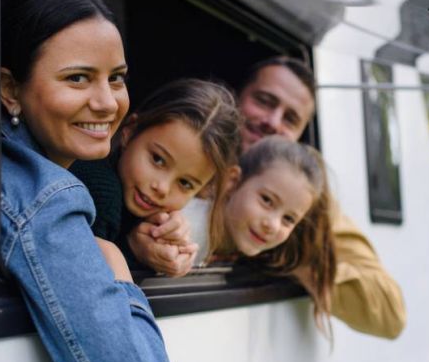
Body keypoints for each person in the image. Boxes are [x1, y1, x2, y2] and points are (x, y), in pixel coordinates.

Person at [132, 56, 407, 340]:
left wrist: (294, 253)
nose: (273, 122)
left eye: (290, 119)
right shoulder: (183, 149)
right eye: (264, 101)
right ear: (238, 98)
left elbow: (390, 314)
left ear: (300, 135)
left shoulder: (308, 211)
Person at [0, 0, 172, 362]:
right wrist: (117, 269)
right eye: (77, 78)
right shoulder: (46, 198)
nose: (108, 103)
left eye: (116, 78)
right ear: (10, 90)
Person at [70, 78, 242, 271]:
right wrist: (134, 251)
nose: (162, 187)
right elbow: (77, 274)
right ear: (130, 130)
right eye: (158, 160)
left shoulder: (155, 213)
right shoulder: (99, 190)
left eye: (185, 183)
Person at [196, 136, 336, 334]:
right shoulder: (186, 226)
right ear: (233, 181)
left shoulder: (251, 253)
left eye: (288, 219)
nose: (272, 225)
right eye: (267, 200)